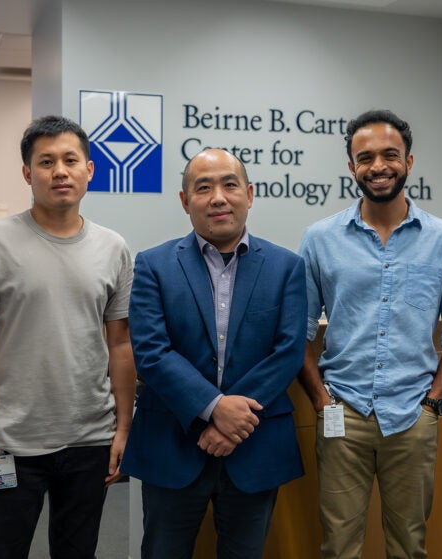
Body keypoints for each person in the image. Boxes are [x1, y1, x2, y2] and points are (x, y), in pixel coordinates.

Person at [298, 109, 442, 558]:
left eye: (389, 155)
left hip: (412, 417)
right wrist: (322, 401)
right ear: (352, 168)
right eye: (366, 157)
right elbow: (296, 333)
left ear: (409, 162)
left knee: (409, 547)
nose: (378, 166)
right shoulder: (320, 239)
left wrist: (434, 401)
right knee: (338, 547)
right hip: (343, 416)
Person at [0, 115, 136, 559]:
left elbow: (120, 345)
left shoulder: (114, 248)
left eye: (71, 160)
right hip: (11, 439)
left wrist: (123, 429)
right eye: (46, 161)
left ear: (89, 170)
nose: (60, 171)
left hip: (89, 437)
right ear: (27, 173)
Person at [121, 148, 307, 559]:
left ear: (250, 193)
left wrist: (232, 420)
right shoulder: (153, 264)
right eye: (203, 188)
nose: (218, 198)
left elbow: (289, 351)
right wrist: (214, 407)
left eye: (229, 184)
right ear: (185, 201)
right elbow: (151, 351)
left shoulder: (286, 267)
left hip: (253, 444)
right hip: (172, 443)